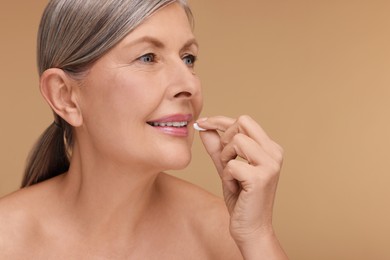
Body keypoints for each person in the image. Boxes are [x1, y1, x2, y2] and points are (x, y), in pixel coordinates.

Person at [0, 0, 288, 259]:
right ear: (65, 96)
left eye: (188, 59)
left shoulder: (225, 232)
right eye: (148, 57)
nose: (189, 85)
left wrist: (258, 237)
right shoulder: (7, 238)